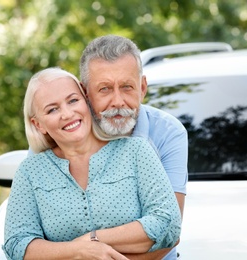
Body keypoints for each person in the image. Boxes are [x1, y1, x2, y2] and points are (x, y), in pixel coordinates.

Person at [3, 68, 181, 260]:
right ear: (39, 125)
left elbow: (168, 224)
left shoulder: (136, 151)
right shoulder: (30, 172)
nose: (67, 114)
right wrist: (79, 250)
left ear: (86, 100)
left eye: (73, 100)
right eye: (52, 109)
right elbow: (17, 243)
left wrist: (93, 239)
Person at [79, 35, 188, 259]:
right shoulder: (63, 134)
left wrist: (89, 242)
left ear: (142, 87)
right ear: (85, 93)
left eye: (127, 87)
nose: (118, 101)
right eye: (105, 89)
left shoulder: (168, 133)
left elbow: (169, 233)